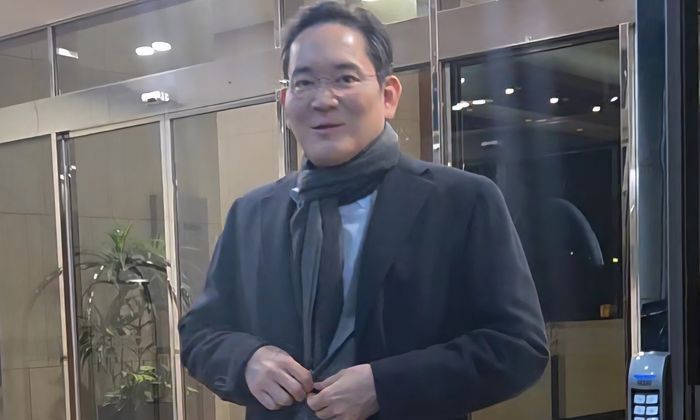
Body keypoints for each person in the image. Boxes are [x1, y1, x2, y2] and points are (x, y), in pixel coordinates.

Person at [178, 2, 549, 419]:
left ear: (388, 95)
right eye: (304, 83)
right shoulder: (252, 214)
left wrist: (385, 386)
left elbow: (518, 346)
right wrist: (247, 360)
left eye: (345, 78)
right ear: (285, 101)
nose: (323, 99)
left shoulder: (461, 201)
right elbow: (201, 333)